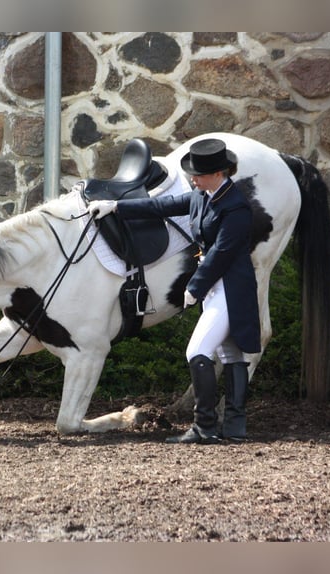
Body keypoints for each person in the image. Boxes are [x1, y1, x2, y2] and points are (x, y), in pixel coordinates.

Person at [88, 138, 260, 444]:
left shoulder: (236, 207)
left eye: (198, 173)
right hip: (215, 286)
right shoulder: (202, 195)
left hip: (230, 287)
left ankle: (204, 426)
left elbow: (222, 252)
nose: (192, 178)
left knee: (197, 351)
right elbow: (160, 206)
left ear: (218, 173)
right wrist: (116, 207)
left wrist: (194, 287)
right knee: (230, 353)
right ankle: (235, 428)